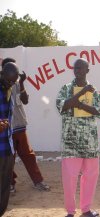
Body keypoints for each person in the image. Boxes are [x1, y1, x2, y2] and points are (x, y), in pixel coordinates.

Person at [56, 58, 100, 217]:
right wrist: (82, 93)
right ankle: (70, 212)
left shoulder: (94, 91)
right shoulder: (66, 88)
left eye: (81, 68)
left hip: (90, 142)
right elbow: (62, 106)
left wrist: (81, 105)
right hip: (71, 142)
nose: (77, 71)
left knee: (91, 176)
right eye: (75, 68)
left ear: (87, 70)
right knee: (69, 178)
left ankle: (86, 209)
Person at [1, 58, 50, 192]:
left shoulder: (17, 82)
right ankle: (10, 183)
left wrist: (22, 83)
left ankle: (38, 181)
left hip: (19, 126)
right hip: (4, 129)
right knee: (7, 158)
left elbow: (25, 101)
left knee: (28, 155)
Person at [0, 62, 19, 216]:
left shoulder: (9, 89)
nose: (11, 84)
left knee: (5, 185)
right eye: (9, 81)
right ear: (2, 75)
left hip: (7, 147)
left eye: (14, 81)